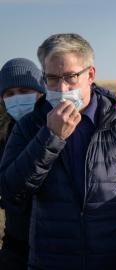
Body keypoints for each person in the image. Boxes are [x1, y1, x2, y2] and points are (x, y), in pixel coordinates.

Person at [0, 33, 116, 270]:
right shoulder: (29, 126)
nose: (62, 88)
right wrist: (50, 138)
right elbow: (12, 191)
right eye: (52, 79)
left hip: (113, 260)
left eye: (70, 77)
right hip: (51, 261)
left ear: (90, 75)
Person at [0, 58, 45, 270]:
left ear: (41, 91)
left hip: (52, 244)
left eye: (24, 90)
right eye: (9, 94)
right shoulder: (5, 134)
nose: (17, 98)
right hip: (16, 241)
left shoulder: (55, 128)